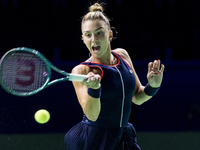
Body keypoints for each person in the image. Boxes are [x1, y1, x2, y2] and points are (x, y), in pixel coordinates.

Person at [64, 3, 165, 150]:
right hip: (95, 141)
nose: (93, 39)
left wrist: (153, 86)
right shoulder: (81, 71)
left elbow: (137, 97)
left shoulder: (123, 55)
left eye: (99, 33)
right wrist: (94, 89)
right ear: (83, 38)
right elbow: (92, 115)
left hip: (122, 138)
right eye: (88, 35)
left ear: (110, 34)